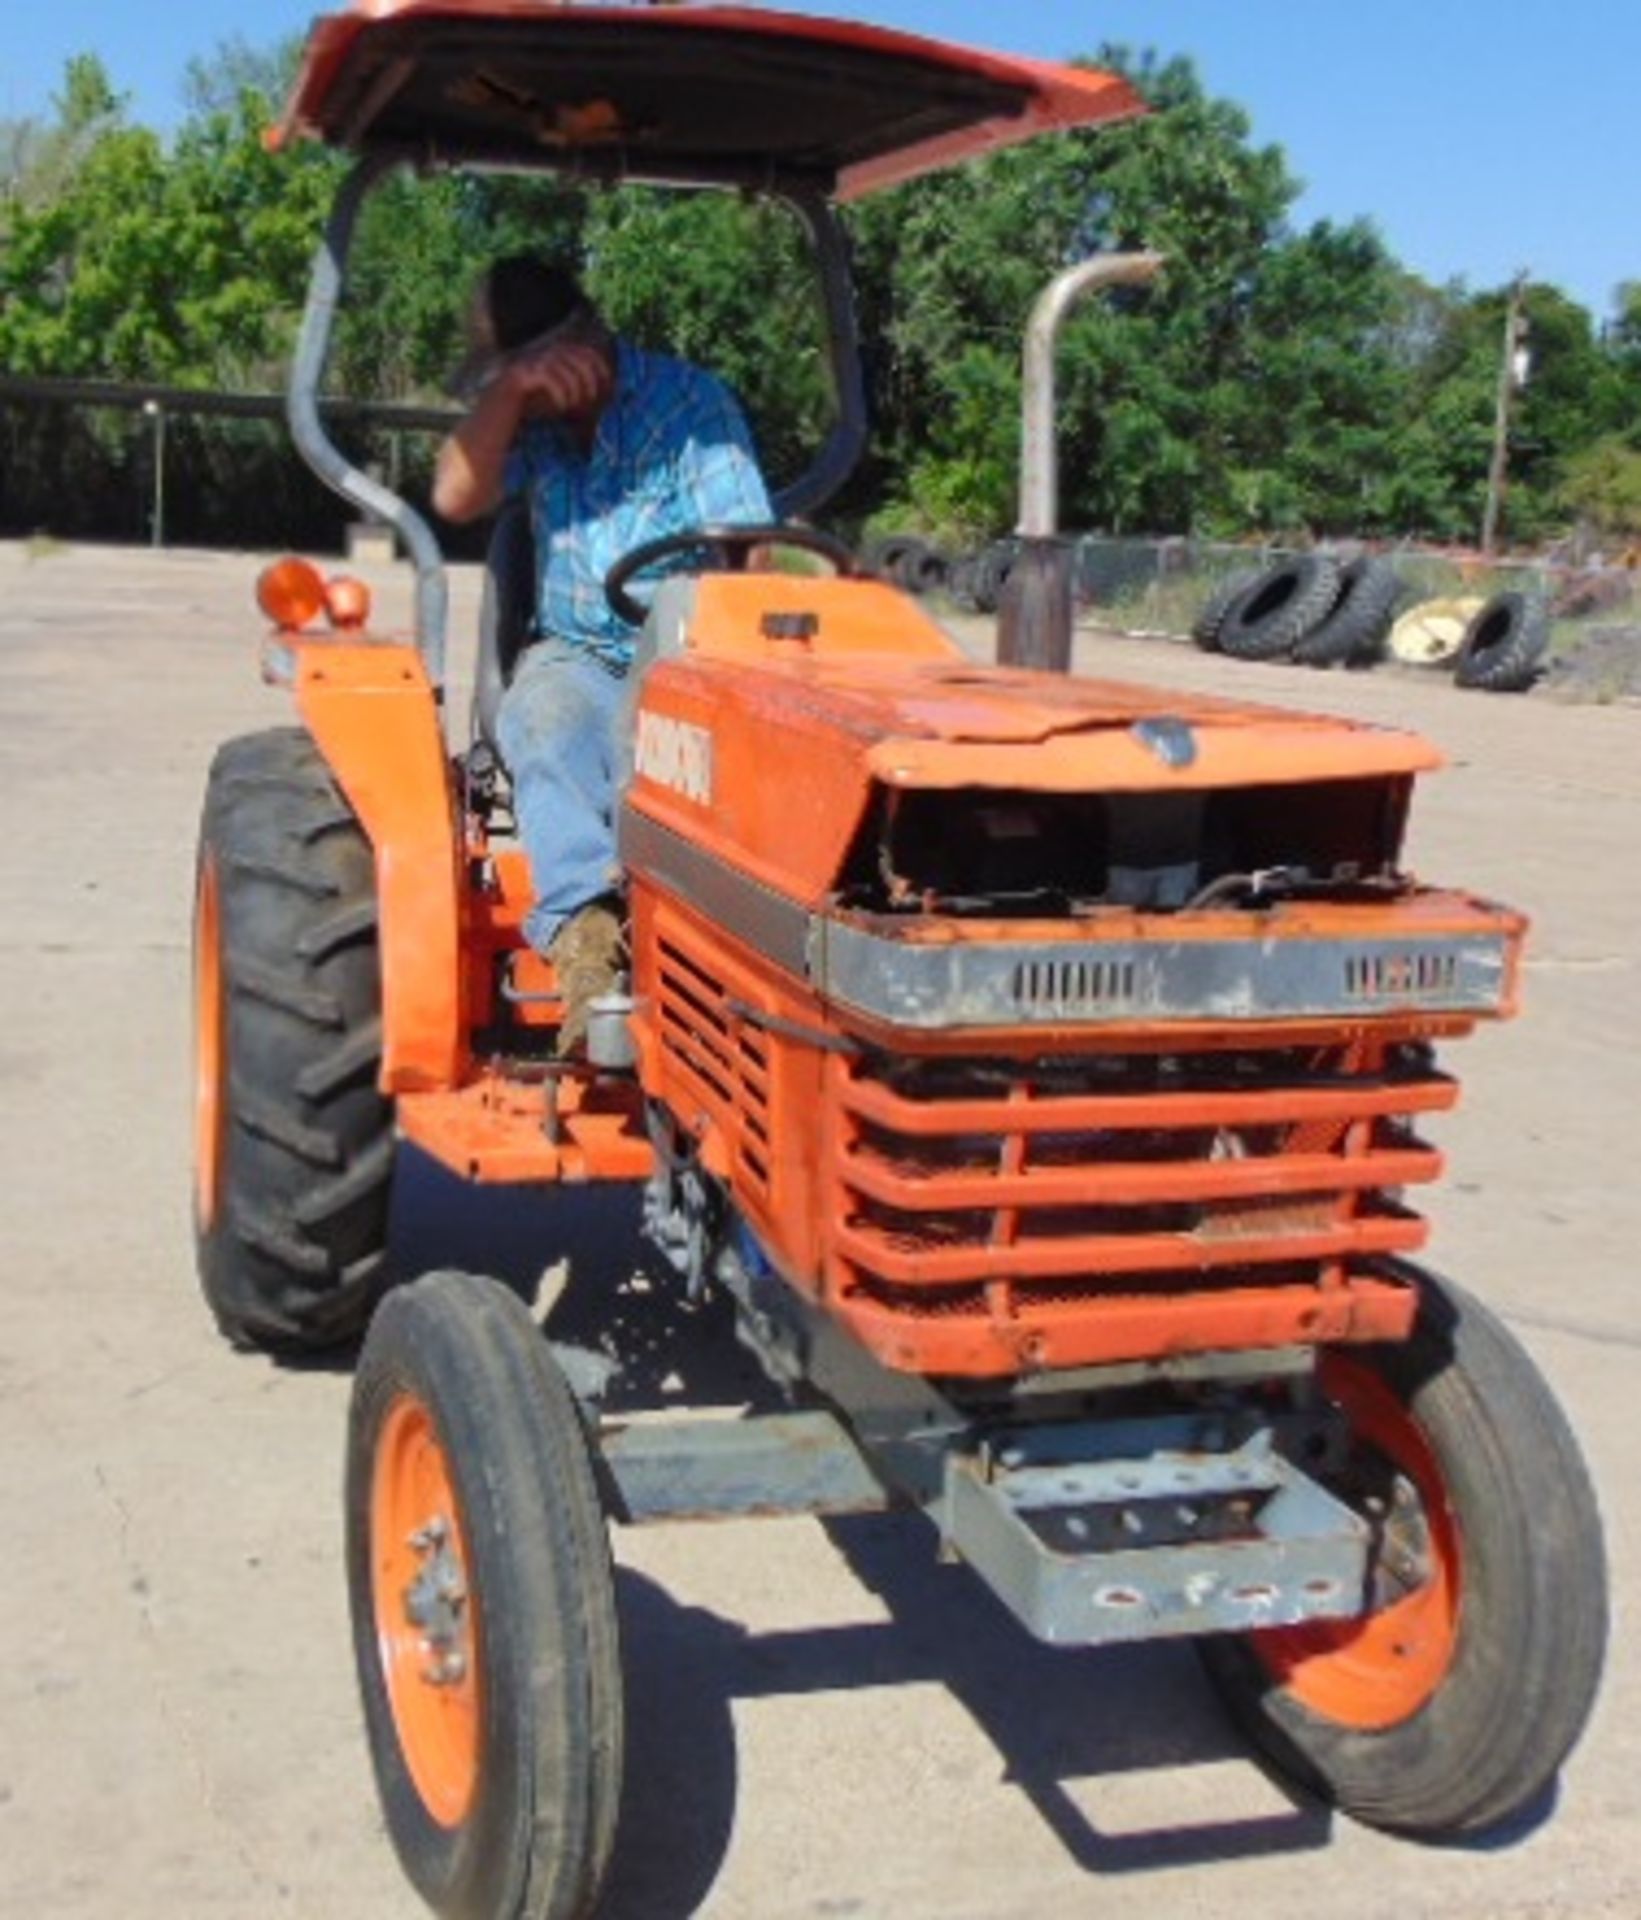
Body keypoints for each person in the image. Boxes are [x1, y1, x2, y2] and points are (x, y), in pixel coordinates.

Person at [433, 256, 772, 1054]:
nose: (526, 391)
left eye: (528, 372)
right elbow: (454, 495)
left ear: (581, 343)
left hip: (686, 659)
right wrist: (511, 393)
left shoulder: (689, 407)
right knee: (547, 719)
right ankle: (589, 946)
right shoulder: (531, 426)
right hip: (578, 654)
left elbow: (749, 556)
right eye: (512, 374)